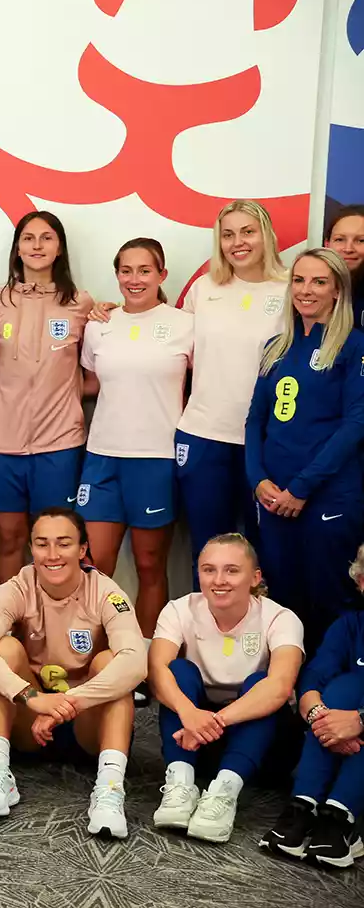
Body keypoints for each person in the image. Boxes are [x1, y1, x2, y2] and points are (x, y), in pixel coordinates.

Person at [0, 507, 143, 839]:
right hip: (31, 724)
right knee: (3, 652)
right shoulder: (16, 587)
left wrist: (67, 703)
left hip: (88, 724)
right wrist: (34, 699)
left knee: (110, 662)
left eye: (64, 543)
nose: (52, 554)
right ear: (31, 548)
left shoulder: (107, 593)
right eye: (42, 544)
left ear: (82, 549)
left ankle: (110, 789)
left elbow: (136, 662)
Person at [147, 533, 303, 843]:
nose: (219, 580)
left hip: (262, 750)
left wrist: (207, 722)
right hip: (194, 743)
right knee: (178, 670)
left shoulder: (281, 618)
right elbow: (156, 672)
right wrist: (189, 713)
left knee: (261, 683)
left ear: (254, 577)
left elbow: (280, 687)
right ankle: (181, 784)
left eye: (232, 570)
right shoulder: (179, 609)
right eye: (208, 569)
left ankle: (224, 794)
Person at [245, 247, 364, 652]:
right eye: (298, 280)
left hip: (328, 496)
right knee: (281, 596)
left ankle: (330, 694)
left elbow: (356, 425)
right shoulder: (277, 346)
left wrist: (302, 487)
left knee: (329, 596)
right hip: (275, 498)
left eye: (318, 282)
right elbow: (255, 421)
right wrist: (258, 479)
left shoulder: (353, 346)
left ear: (337, 291)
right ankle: (286, 693)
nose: (306, 290)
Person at [78, 239, 193, 634]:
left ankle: (144, 664)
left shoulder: (185, 324)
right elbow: (90, 384)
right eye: (126, 271)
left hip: (156, 458)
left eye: (144, 270)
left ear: (161, 275)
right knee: (94, 567)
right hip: (102, 456)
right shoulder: (99, 325)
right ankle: (92, 657)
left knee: (149, 565)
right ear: (117, 276)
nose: (134, 279)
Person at [170, 202, 288, 584]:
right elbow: (170, 344)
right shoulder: (205, 289)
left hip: (266, 442)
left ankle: (259, 641)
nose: (238, 242)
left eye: (247, 232)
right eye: (228, 234)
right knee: (208, 551)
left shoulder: (290, 288)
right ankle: (202, 640)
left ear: (266, 235)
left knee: (264, 551)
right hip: (205, 435)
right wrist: (114, 313)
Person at [0, 211, 95, 585]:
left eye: (46, 238)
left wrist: (60, 396)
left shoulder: (81, 303)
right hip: (2, 445)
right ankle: (6, 632)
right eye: (28, 238)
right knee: (9, 541)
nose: (37, 246)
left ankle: (55, 632)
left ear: (59, 248)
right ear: (17, 249)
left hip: (58, 446)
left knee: (55, 547)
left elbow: (96, 375)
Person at [261, 543, 364, 868]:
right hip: (339, 723)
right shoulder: (350, 625)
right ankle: (304, 806)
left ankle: (340, 817)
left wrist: (360, 721)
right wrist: (323, 718)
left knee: (354, 685)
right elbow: (313, 678)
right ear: (360, 582)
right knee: (339, 689)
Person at [324, 204, 364, 326]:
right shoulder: (307, 291)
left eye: (361, 240)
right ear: (327, 244)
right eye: (340, 239)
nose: (348, 249)